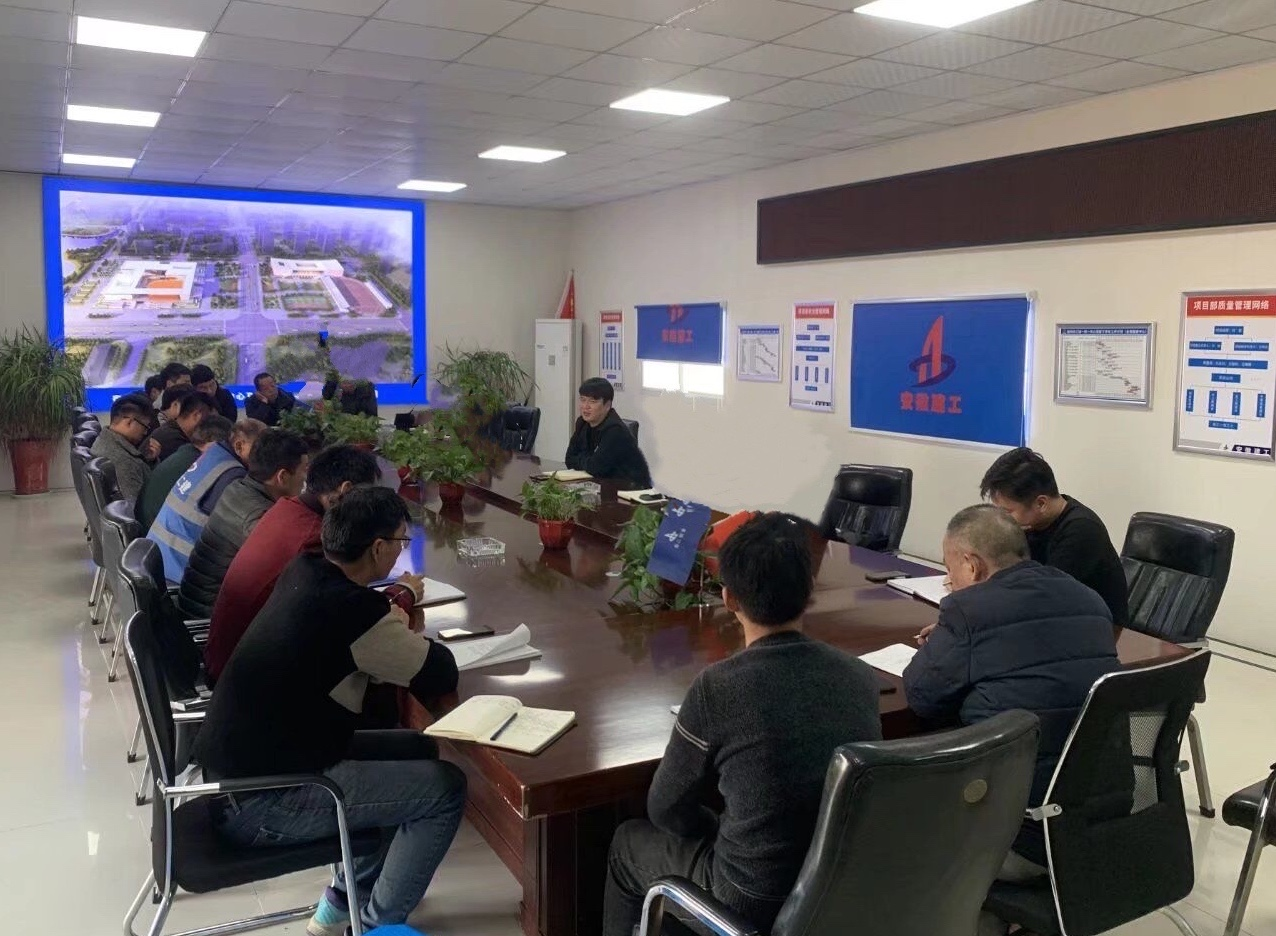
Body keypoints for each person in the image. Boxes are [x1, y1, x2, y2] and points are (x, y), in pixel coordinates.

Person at [195, 487, 464, 935]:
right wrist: (396, 626)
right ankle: (376, 925)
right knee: (446, 789)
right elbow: (439, 672)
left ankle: (340, 906)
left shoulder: (305, 570)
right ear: (378, 548)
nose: (402, 551)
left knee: (416, 750)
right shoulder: (353, 612)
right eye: (401, 541)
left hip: (242, 774)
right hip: (264, 802)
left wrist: (390, 621)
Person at [602, 513, 882, 936]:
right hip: (834, 889)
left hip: (748, 900)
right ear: (810, 592)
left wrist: (713, 827)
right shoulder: (859, 676)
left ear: (729, 599)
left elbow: (665, 809)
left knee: (627, 843)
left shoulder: (718, 688)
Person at [901, 504, 1120, 925]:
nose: (949, 581)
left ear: (972, 565)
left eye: (949, 570)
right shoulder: (1087, 598)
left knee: (892, 824)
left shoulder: (968, 610)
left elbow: (923, 697)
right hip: (1104, 822)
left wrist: (946, 642)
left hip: (1026, 837)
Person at [204, 444, 382, 680]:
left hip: (230, 658)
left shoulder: (287, 508)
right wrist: (402, 594)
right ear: (346, 490)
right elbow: (349, 614)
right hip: (248, 676)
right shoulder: (313, 539)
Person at [980, 447, 1129, 626]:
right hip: (1055, 619)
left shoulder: (1082, 530)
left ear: (1041, 503)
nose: (1002, 519)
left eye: (1007, 511)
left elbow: (1044, 594)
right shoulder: (1031, 523)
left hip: (1097, 628)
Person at [178, 427, 310, 619]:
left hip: (198, 602)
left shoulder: (237, 487)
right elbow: (295, 570)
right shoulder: (260, 518)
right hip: (209, 617)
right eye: (304, 470)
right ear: (282, 477)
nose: (306, 478)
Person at [147, 409, 262, 583]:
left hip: (158, 560)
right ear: (239, 446)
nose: (265, 455)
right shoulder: (232, 475)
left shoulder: (213, 457)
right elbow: (247, 536)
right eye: (260, 448)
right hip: (178, 574)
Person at [136, 415, 234, 532]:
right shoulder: (201, 467)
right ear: (214, 443)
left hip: (150, 531)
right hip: (160, 533)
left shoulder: (184, 455)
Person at [565, 377, 652, 488]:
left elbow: (596, 468)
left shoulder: (615, 430)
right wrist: (589, 461)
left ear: (607, 405)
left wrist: (582, 459)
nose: (585, 406)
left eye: (592, 401)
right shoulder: (582, 423)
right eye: (583, 400)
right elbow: (569, 459)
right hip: (602, 485)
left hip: (631, 490)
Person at [89, 393, 156, 501]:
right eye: (145, 427)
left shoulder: (105, 441)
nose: (145, 433)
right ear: (129, 422)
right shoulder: (124, 462)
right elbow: (137, 507)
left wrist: (150, 460)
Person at [150, 391, 215, 462]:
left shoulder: (169, 430)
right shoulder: (175, 440)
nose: (208, 427)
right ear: (196, 415)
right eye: (207, 420)